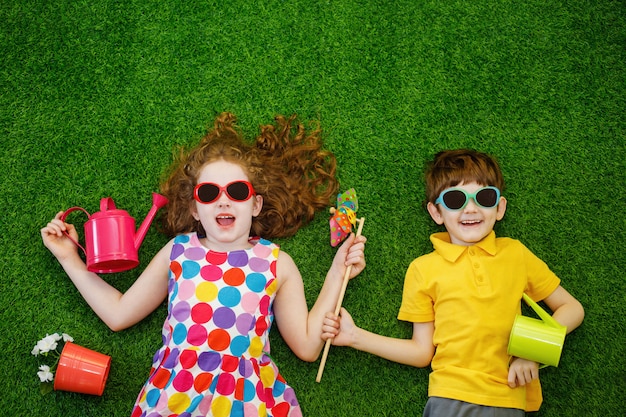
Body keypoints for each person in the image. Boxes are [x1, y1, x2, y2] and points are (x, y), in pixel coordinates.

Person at [41, 112, 366, 417]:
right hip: (175, 395)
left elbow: (308, 347)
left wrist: (338, 272)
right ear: (195, 209)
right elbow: (117, 314)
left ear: (255, 204)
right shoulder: (178, 251)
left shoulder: (277, 263)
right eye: (209, 192)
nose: (223, 199)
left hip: (246, 399)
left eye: (237, 191)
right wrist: (69, 257)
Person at [323, 149, 584, 416]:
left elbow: (572, 309)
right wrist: (355, 337)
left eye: (484, 197)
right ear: (436, 212)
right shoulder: (423, 269)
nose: (471, 208)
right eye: (455, 199)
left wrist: (531, 352)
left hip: (508, 397)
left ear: (500, 207)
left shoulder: (516, 254)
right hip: (449, 397)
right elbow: (421, 352)